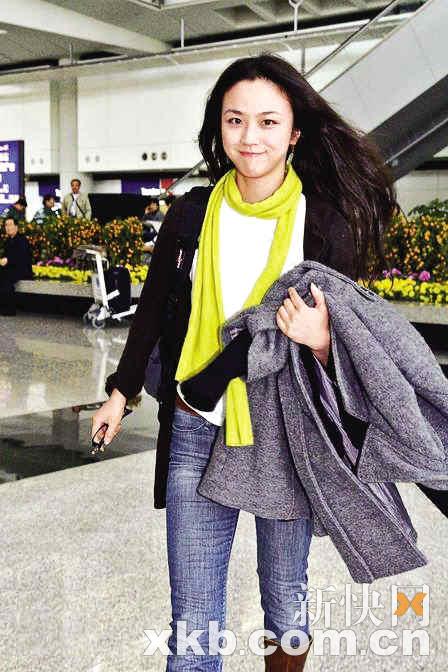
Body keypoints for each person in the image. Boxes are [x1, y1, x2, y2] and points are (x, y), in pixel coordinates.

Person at [92, 54, 396, 670]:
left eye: (267, 121)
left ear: (295, 132)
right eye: (235, 120)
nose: (250, 136)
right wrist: (121, 392)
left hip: (286, 431)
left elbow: (354, 345)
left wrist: (320, 339)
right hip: (196, 425)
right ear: (219, 126)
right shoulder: (191, 214)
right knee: (193, 619)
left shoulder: (323, 224)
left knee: (285, 602)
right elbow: (151, 312)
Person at [0, 217, 33, 315]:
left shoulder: (22, 240)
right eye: (6, 225)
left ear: (16, 227)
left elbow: (22, 257)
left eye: (10, 225)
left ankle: (9, 309)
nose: (8, 227)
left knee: (6, 277)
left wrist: (8, 260)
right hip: (11, 269)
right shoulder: (8, 241)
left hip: (22, 270)